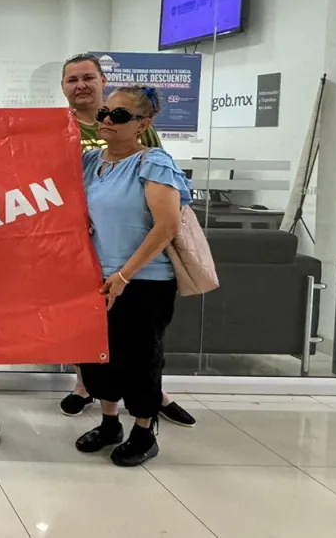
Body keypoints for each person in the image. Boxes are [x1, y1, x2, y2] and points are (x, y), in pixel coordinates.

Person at [59, 54, 196, 429]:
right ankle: (108, 421)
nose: (107, 120)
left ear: (142, 125)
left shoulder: (153, 162)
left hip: (142, 279)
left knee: (140, 359)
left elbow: (166, 226)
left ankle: (144, 428)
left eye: (118, 116)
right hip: (95, 277)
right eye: (105, 114)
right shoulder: (90, 162)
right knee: (100, 358)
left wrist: (123, 276)